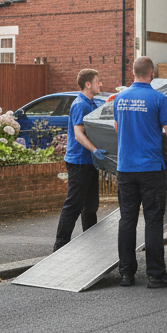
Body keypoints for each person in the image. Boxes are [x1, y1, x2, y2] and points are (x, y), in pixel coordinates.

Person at [113, 56, 167, 288]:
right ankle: (156, 275)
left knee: (127, 220)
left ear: (133, 73)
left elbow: (117, 127)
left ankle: (126, 274)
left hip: (125, 169)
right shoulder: (158, 98)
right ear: (152, 74)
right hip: (150, 169)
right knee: (153, 221)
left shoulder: (120, 97)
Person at [53, 69, 107, 251]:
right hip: (78, 162)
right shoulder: (80, 105)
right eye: (98, 81)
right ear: (88, 84)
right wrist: (94, 149)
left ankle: (91, 243)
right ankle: (60, 247)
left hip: (89, 162)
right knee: (74, 205)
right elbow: (78, 134)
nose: (101, 84)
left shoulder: (91, 103)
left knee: (91, 206)